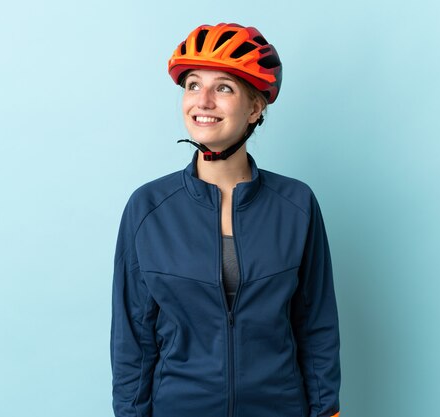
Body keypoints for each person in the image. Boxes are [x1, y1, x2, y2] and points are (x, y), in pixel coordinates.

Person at [111, 23, 341, 417]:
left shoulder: (296, 204)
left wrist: (327, 412)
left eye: (224, 88)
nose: (203, 101)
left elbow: (316, 324)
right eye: (193, 85)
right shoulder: (148, 208)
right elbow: (133, 339)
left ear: (254, 108)